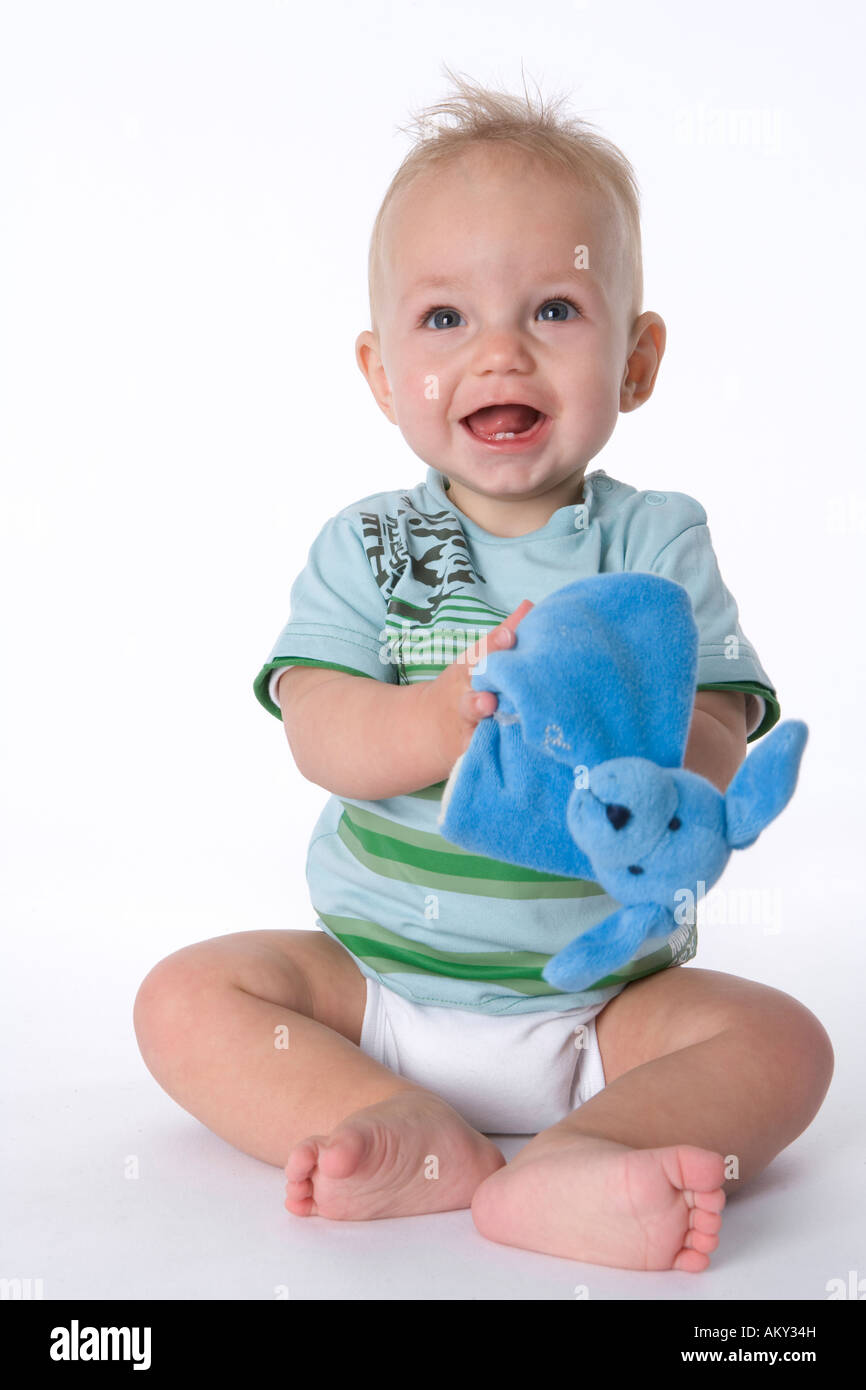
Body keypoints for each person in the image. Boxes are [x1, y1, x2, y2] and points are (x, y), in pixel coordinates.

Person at [133, 72, 833, 1272]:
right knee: (183, 1000)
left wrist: (675, 783)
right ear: (378, 370)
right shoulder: (369, 543)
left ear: (636, 358)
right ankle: (392, 1123)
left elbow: (713, 714)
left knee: (785, 1045)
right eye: (443, 318)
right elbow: (322, 729)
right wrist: (447, 714)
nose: (498, 349)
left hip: (604, 1008)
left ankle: (577, 1158)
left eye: (554, 309)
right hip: (377, 989)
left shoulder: (651, 538)